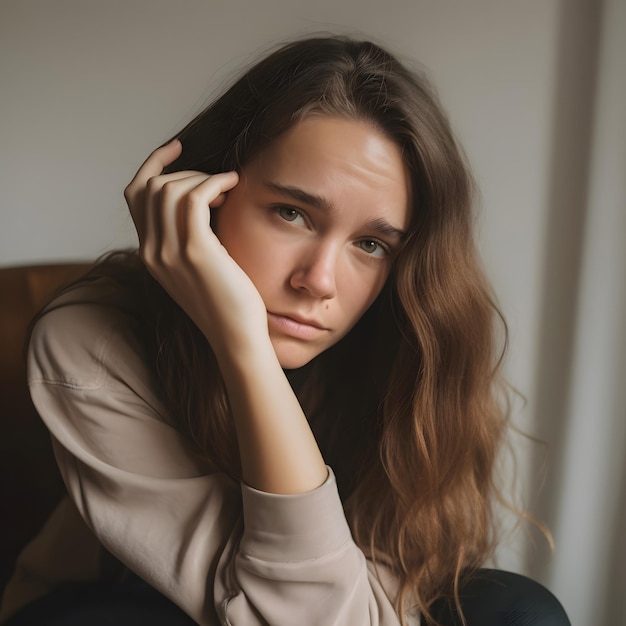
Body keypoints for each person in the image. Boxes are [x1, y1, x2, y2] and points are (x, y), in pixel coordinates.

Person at [0, 36, 569, 625]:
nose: (318, 281)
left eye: (370, 245)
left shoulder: (409, 348)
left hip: (325, 604)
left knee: (522, 611)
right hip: (121, 603)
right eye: (291, 213)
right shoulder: (90, 338)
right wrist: (242, 343)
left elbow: (349, 611)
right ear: (204, 197)